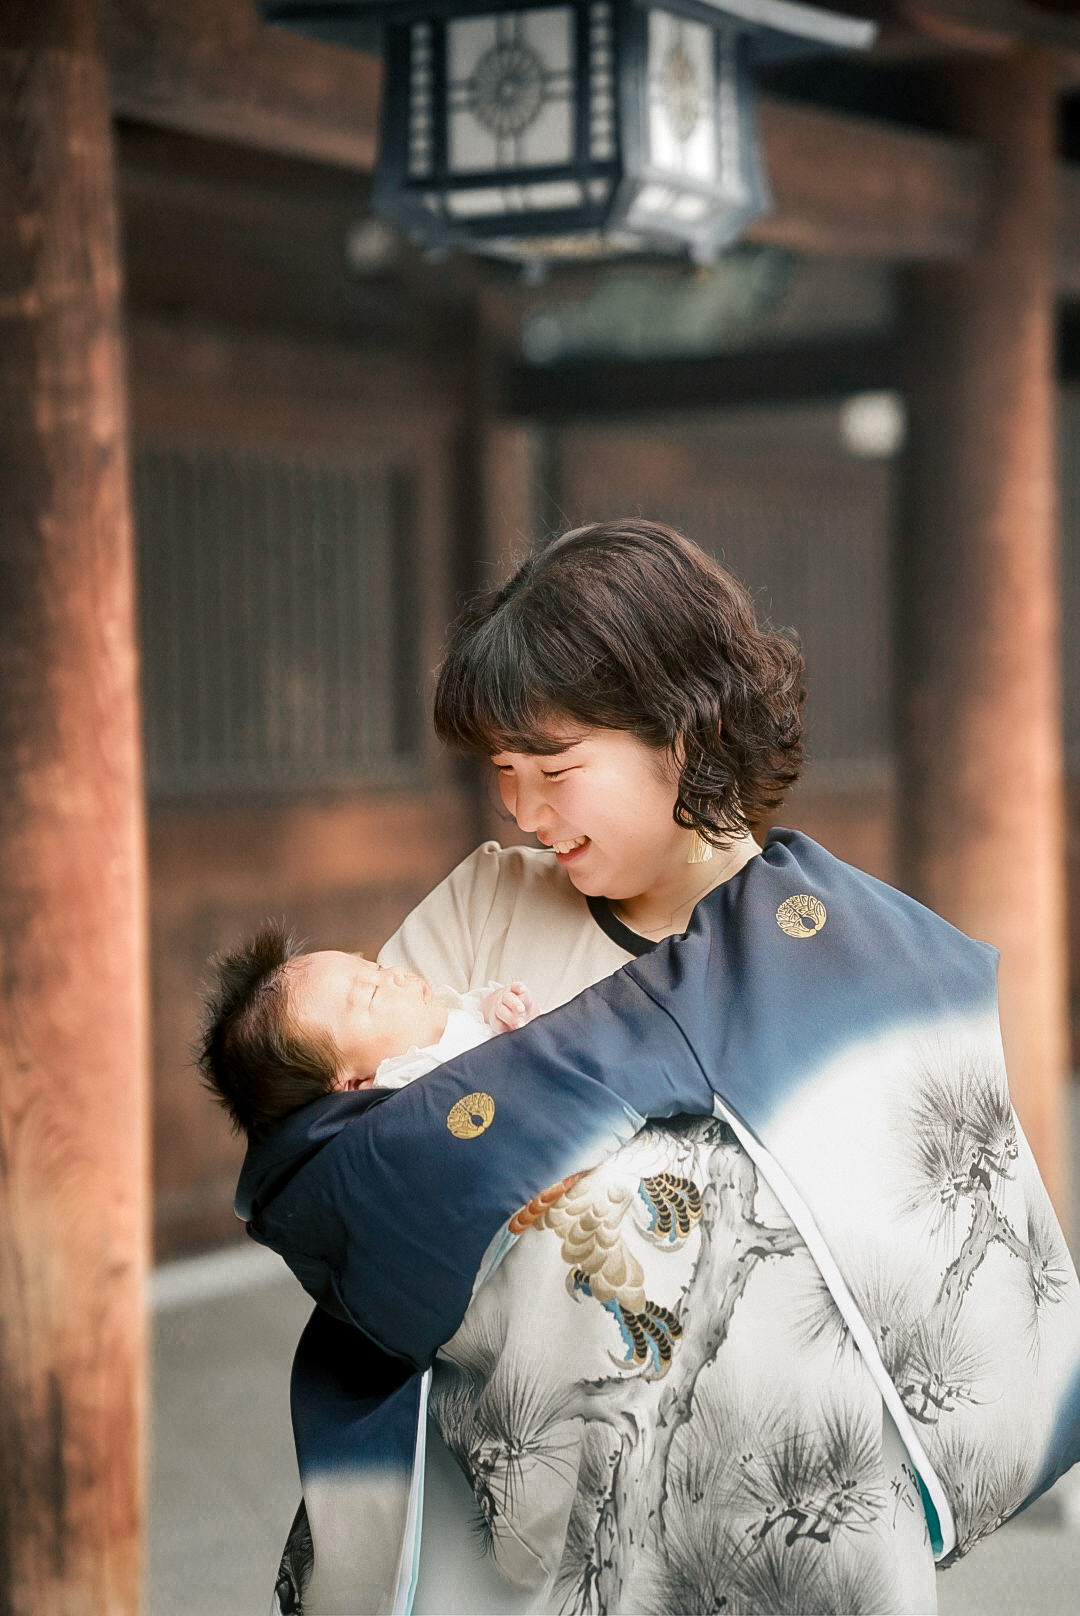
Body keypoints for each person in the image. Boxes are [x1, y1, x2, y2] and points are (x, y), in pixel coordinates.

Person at [373, 520, 937, 1615]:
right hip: (503, 1518)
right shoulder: (489, 902)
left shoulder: (850, 961)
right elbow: (337, 1158)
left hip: (771, 1532)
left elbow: (918, 1276)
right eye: (502, 772)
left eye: (557, 766)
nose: (524, 810)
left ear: (684, 728)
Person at [197, 919, 539, 1136]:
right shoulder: (404, 1087)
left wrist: (495, 1008)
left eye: (374, 967)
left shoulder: (439, 1018)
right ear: (356, 1084)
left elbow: (472, 1019)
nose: (393, 975)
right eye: (373, 993)